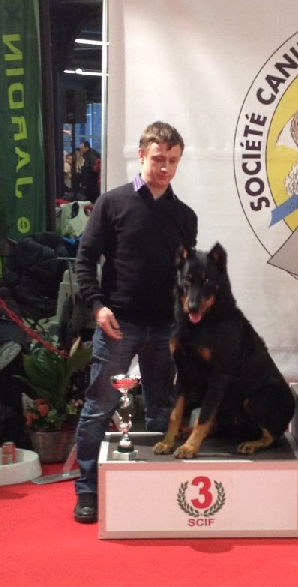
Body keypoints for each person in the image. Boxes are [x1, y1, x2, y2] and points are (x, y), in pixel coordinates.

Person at [73, 121, 198, 523]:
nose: (165, 168)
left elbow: (186, 274)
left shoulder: (185, 216)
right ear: (141, 155)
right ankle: (88, 490)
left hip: (166, 328)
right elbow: (84, 261)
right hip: (118, 323)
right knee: (99, 407)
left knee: (163, 409)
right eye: (159, 159)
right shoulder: (112, 203)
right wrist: (97, 307)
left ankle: (157, 489)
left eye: (173, 161)